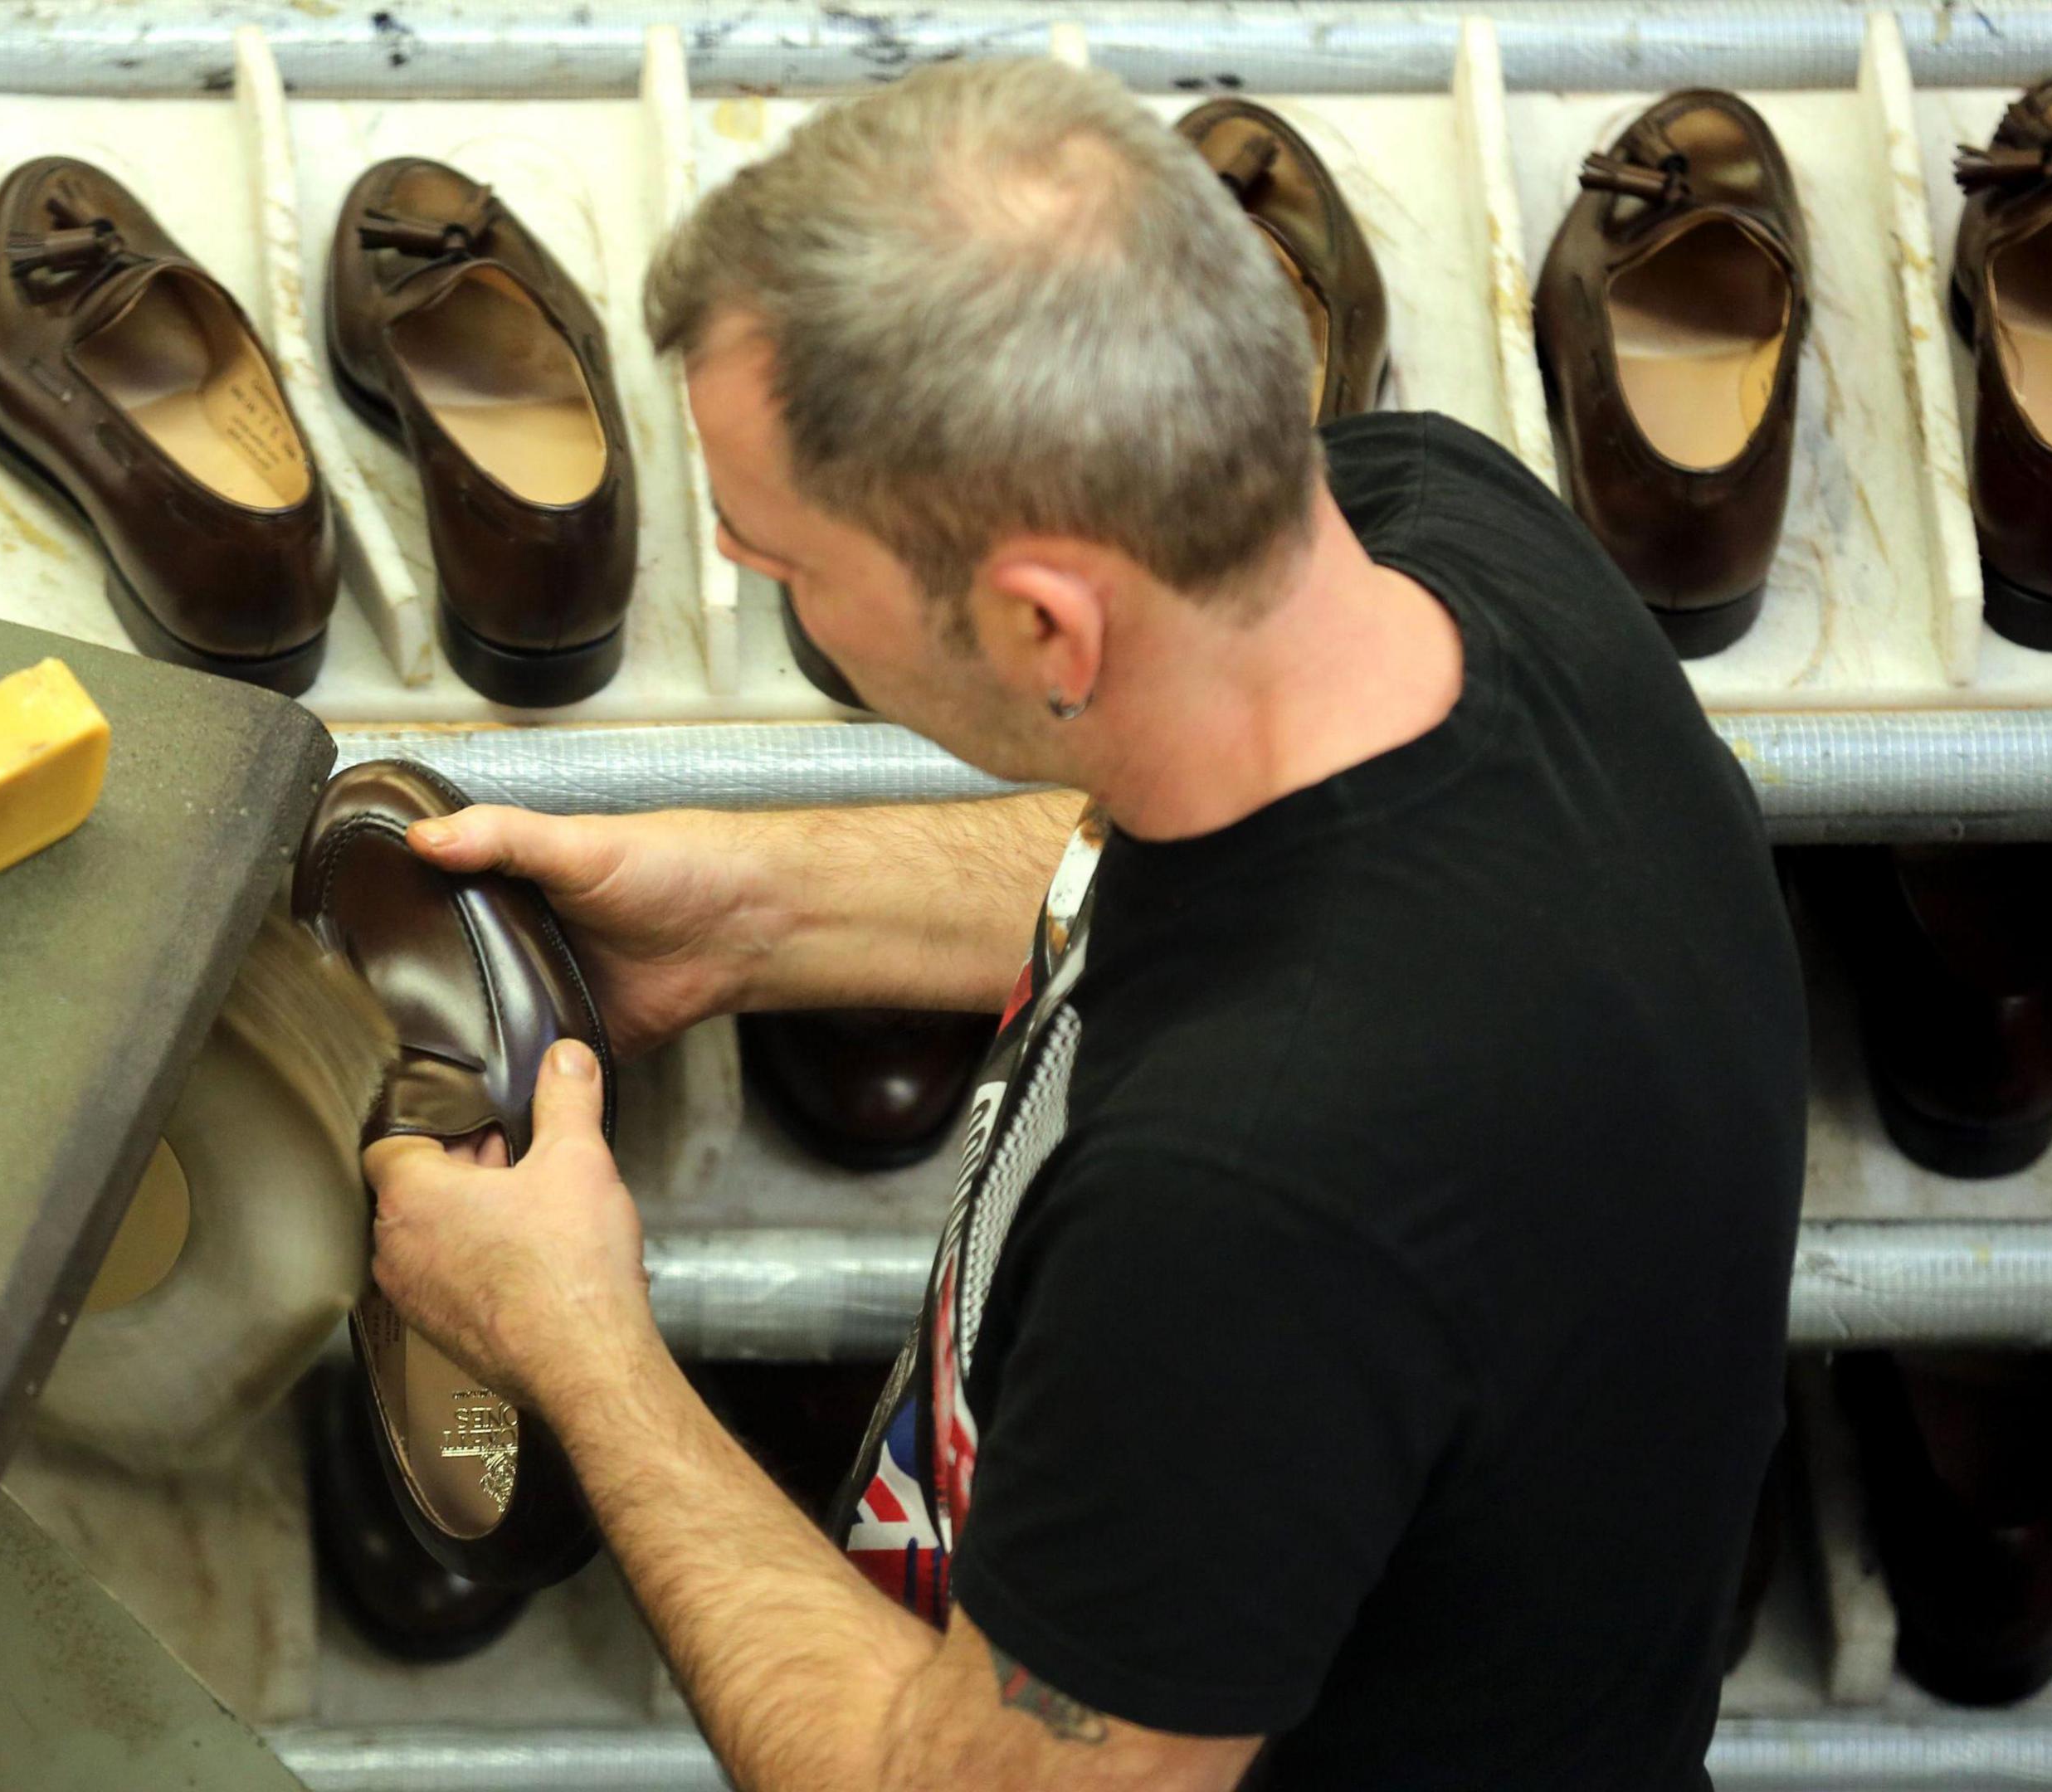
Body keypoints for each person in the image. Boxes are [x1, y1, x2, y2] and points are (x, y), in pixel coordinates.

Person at [359, 56, 1806, 1791]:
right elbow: (1213, 848)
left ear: (1048, 629)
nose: (750, 577)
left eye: (788, 562)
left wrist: (577, 1349)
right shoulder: (1445, 535)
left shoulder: (1245, 1214)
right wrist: (754, 913)